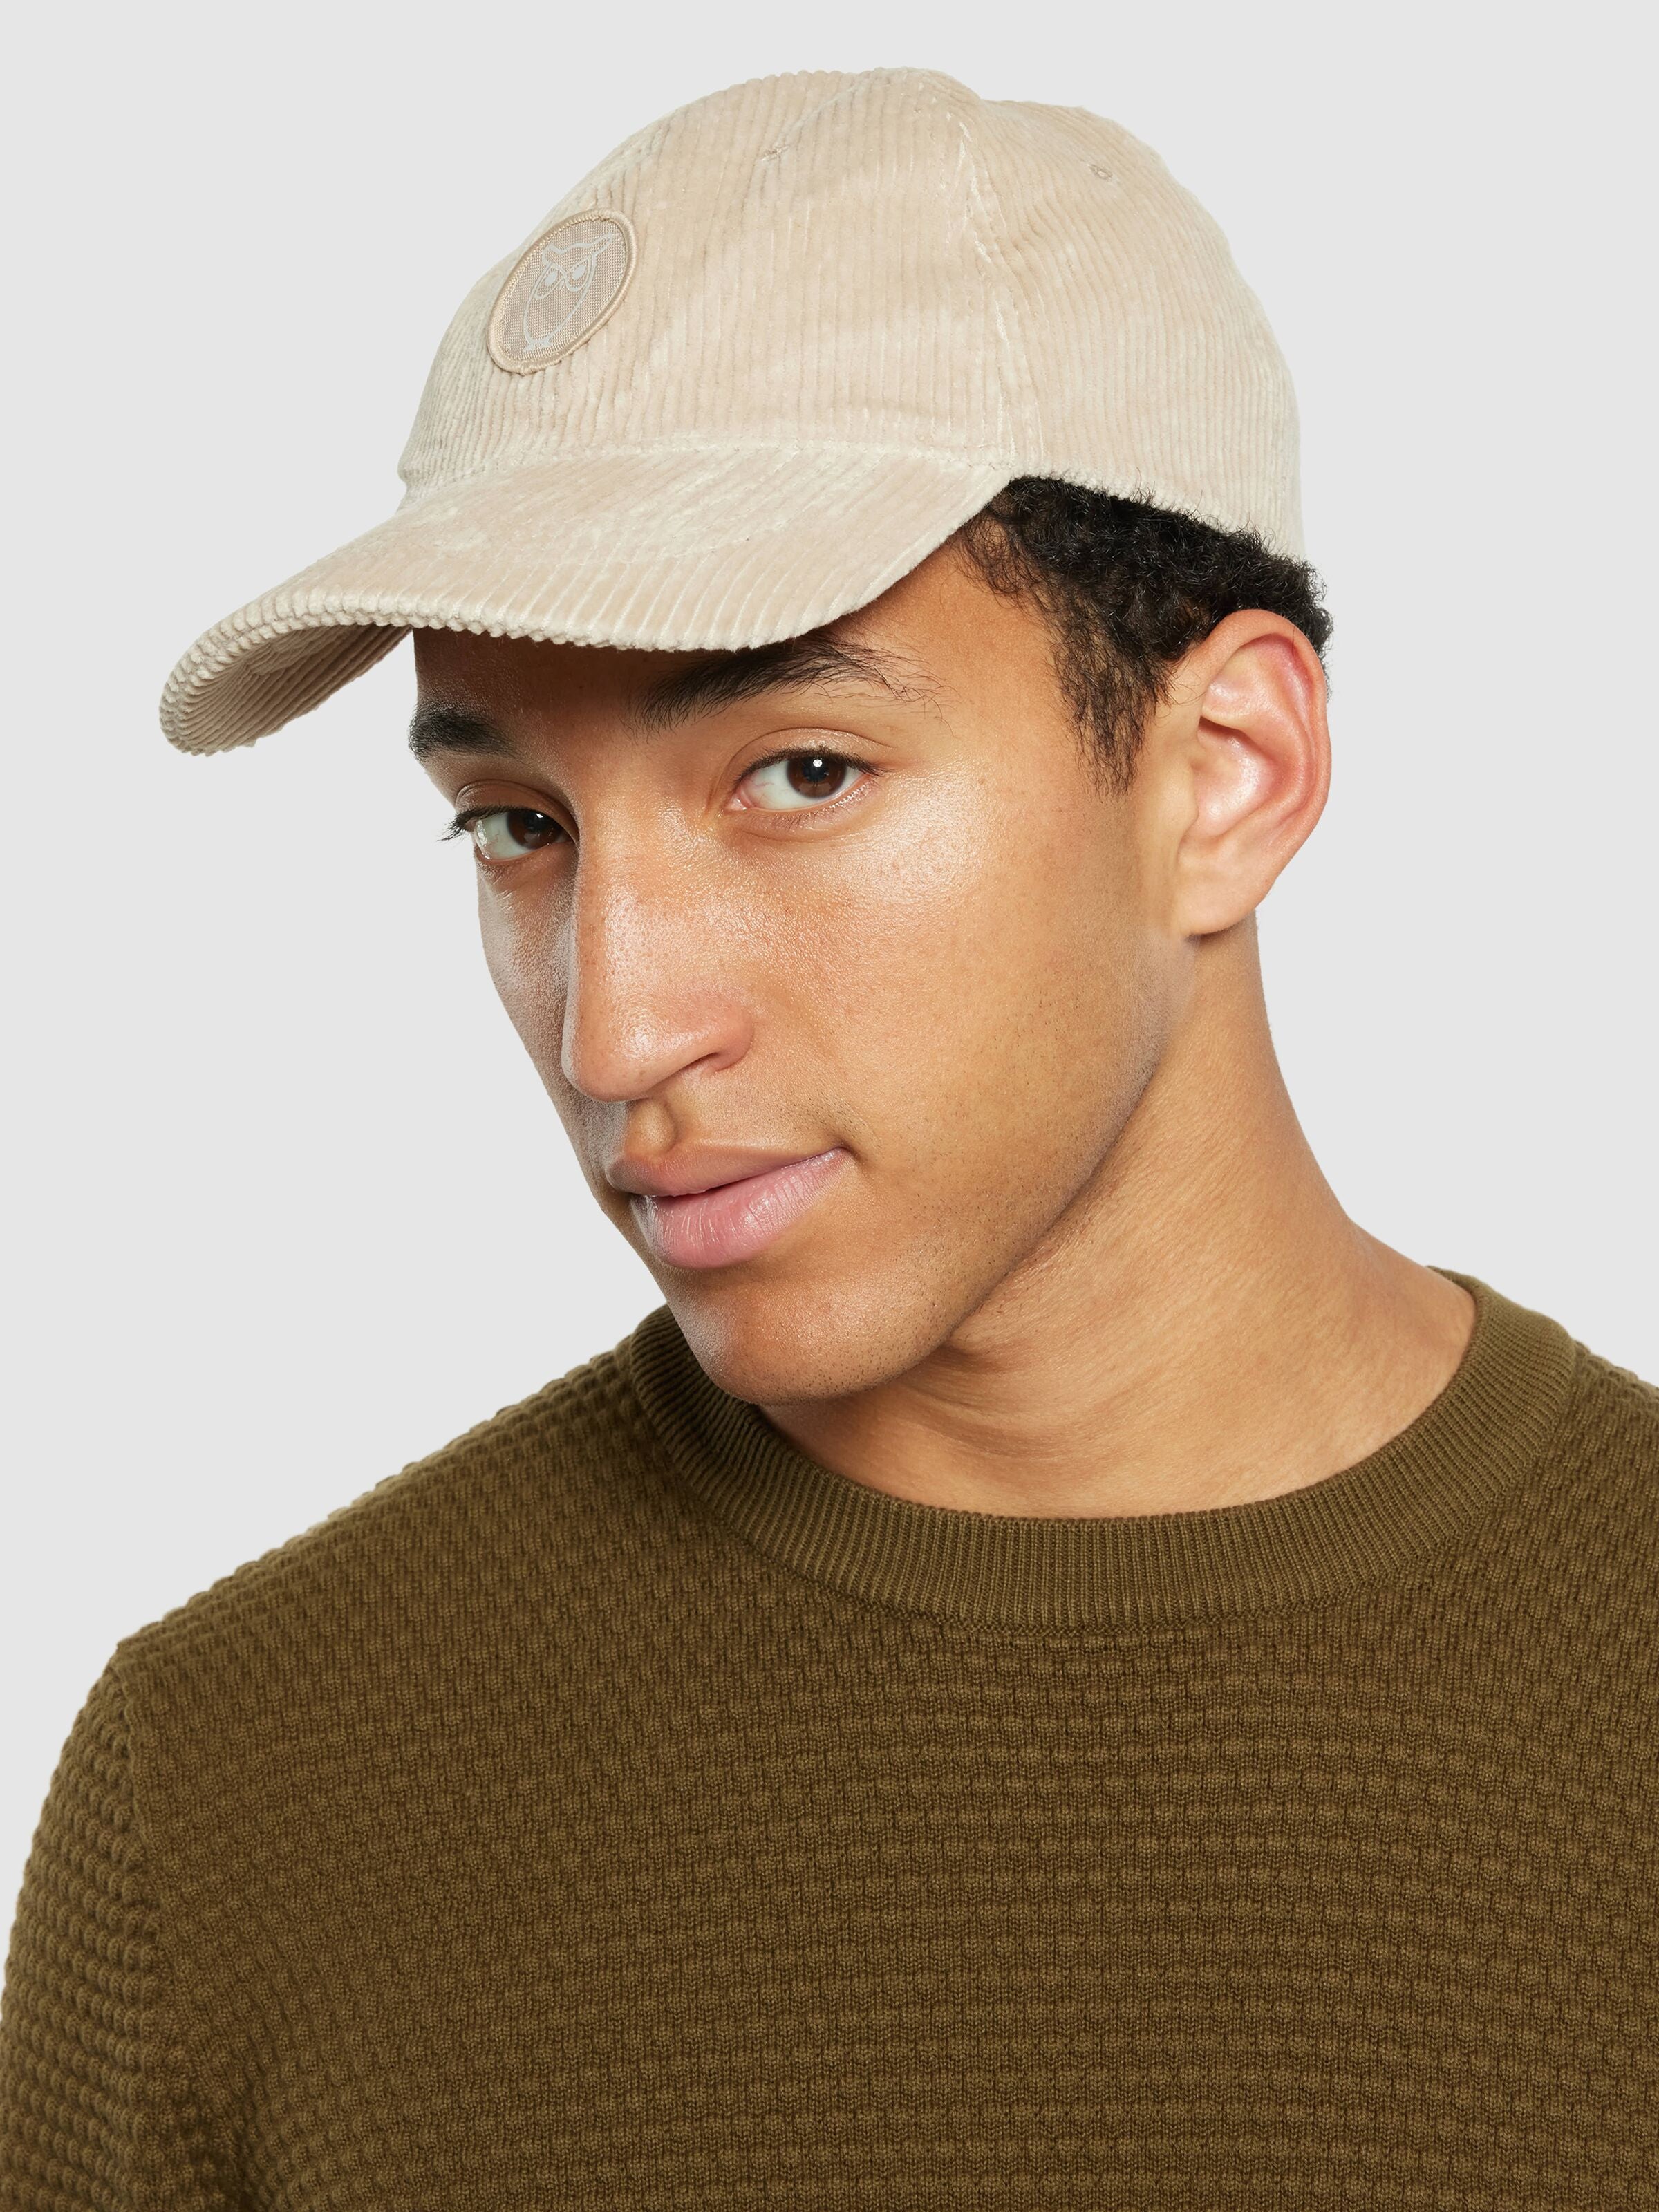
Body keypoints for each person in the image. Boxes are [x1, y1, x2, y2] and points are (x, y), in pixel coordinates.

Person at [2, 66, 1654, 2210]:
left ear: (1226, 774)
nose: (615, 1024)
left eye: (800, 774)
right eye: (517, 826)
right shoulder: (239, 1803)